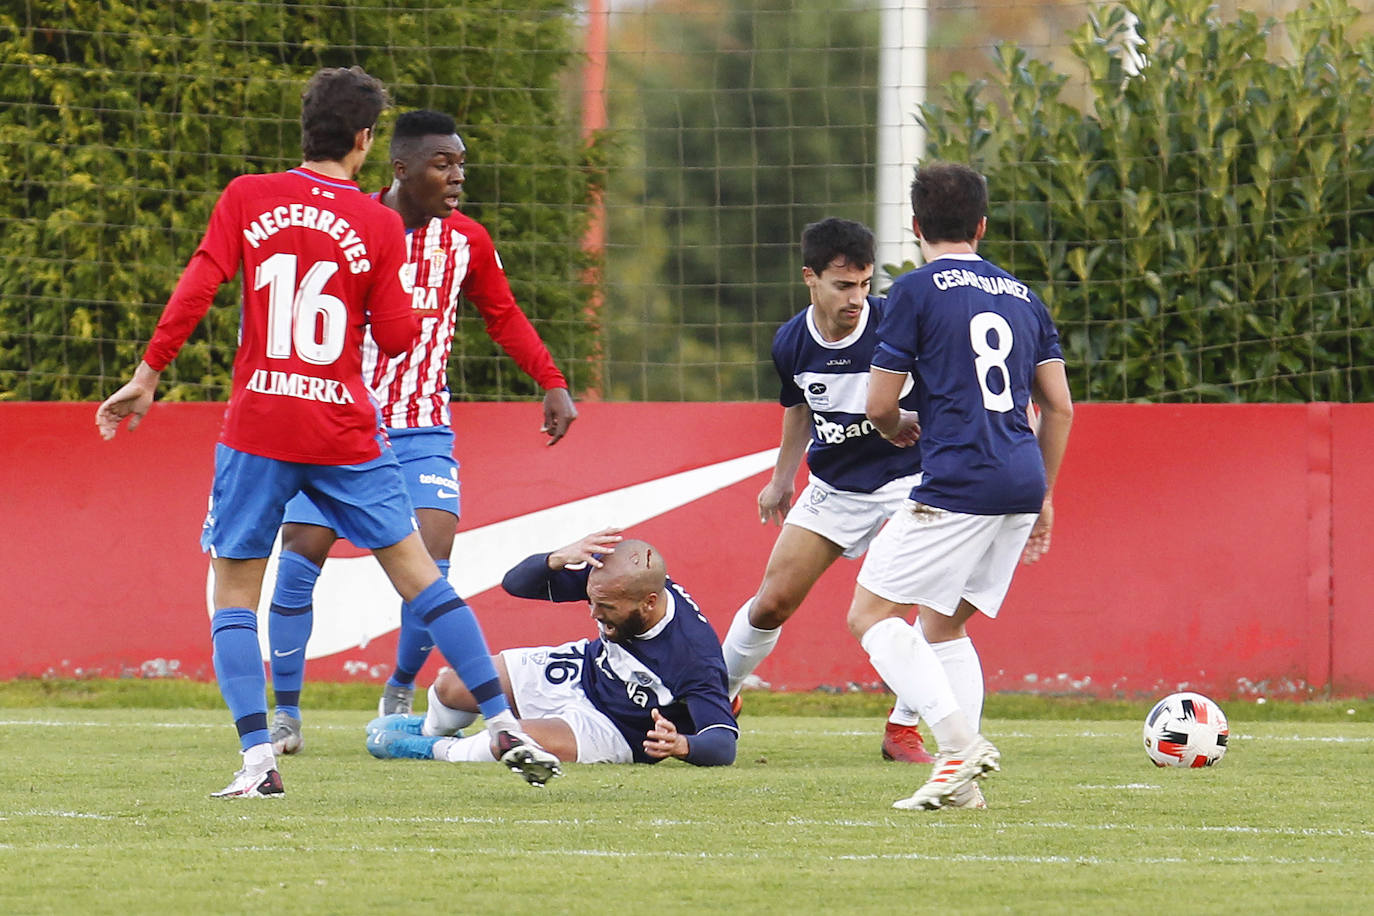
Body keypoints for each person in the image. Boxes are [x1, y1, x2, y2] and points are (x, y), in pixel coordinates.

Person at [95, 68, 559, 798]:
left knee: (235, 598)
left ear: (305, 128)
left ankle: (259, 760)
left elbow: (200, 281)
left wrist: (150, 372)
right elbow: (402, 337)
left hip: (259, 425)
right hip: (346, 427)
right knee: (424, 580)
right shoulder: (377, 223)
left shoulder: (247, 196)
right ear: (366, 140)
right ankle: (500, 721)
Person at [264, 109, 578, 756]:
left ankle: (400, 689)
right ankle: (286, 712)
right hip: (333, 420)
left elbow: (502, 313)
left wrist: (550, 380)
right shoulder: (343, 223)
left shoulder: (468, 242)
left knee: (432, 555)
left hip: (419, 426)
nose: (457, 176)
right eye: (443, 164)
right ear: (401, 169)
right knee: (301, 554)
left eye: (461, 163)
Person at [849, 162, 1073, 810]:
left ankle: (954, 744)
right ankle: (962, 785)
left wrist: (898, 425)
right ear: (980, 225)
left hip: (959, 479)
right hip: (1019, 480)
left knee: (869, 614)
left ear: (915, 225)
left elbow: (878, 405)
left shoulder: (916, 292)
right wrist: (1045, 495)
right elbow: (1058, 408)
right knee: (943, 628)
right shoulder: (1024, 296)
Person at [718, 217, 934, 764]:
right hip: (835, 485)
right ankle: (715, 700)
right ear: (810, 278)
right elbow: (798, 407)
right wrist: (781, 478)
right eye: (843, 285)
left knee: (929, 603)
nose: (856, 298)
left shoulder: (894, 325)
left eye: (864, 284)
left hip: (909, 479)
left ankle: (902, 729)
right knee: (771, 602)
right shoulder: (790, 342)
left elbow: (941, 392)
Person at [366, 528, 739, 770]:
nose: (594, 612)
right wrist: (556, 558)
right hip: (584, 669)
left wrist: (682, 745)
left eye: (606, 607)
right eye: (592, 600)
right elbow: (515, 584)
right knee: (455, 683)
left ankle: (427, 752)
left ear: (649, 602)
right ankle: (431, 730)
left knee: (516, 738)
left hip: (617, 727)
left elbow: (722, 744)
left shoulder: (694, 656)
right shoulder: (615, 584)